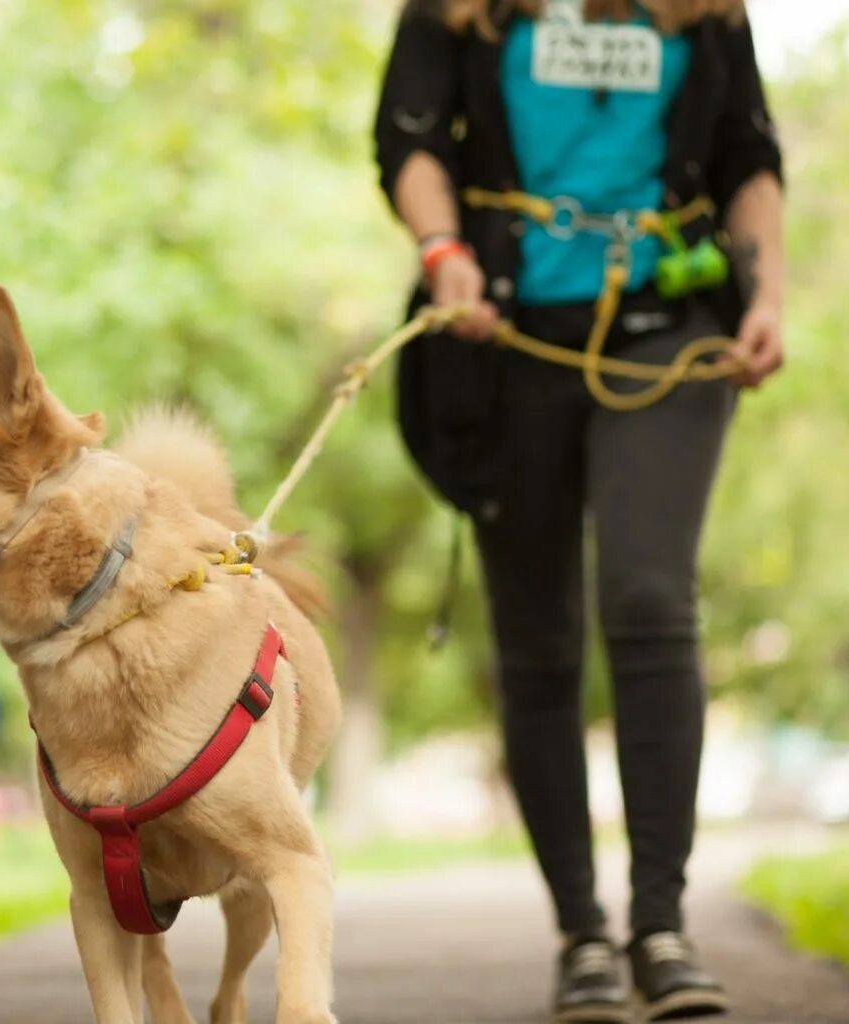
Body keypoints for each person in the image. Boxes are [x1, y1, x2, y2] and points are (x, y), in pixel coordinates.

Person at [373, 1, 784, 1021]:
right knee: (539, 641)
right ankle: (583, 936)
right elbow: (409, 141)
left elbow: (749, 156)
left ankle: (662, 924)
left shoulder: (706, 13)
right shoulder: (459, 12)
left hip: (669, 325)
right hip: (504, 332)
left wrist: (765, 292)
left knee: (649, 599)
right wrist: (443, 253)